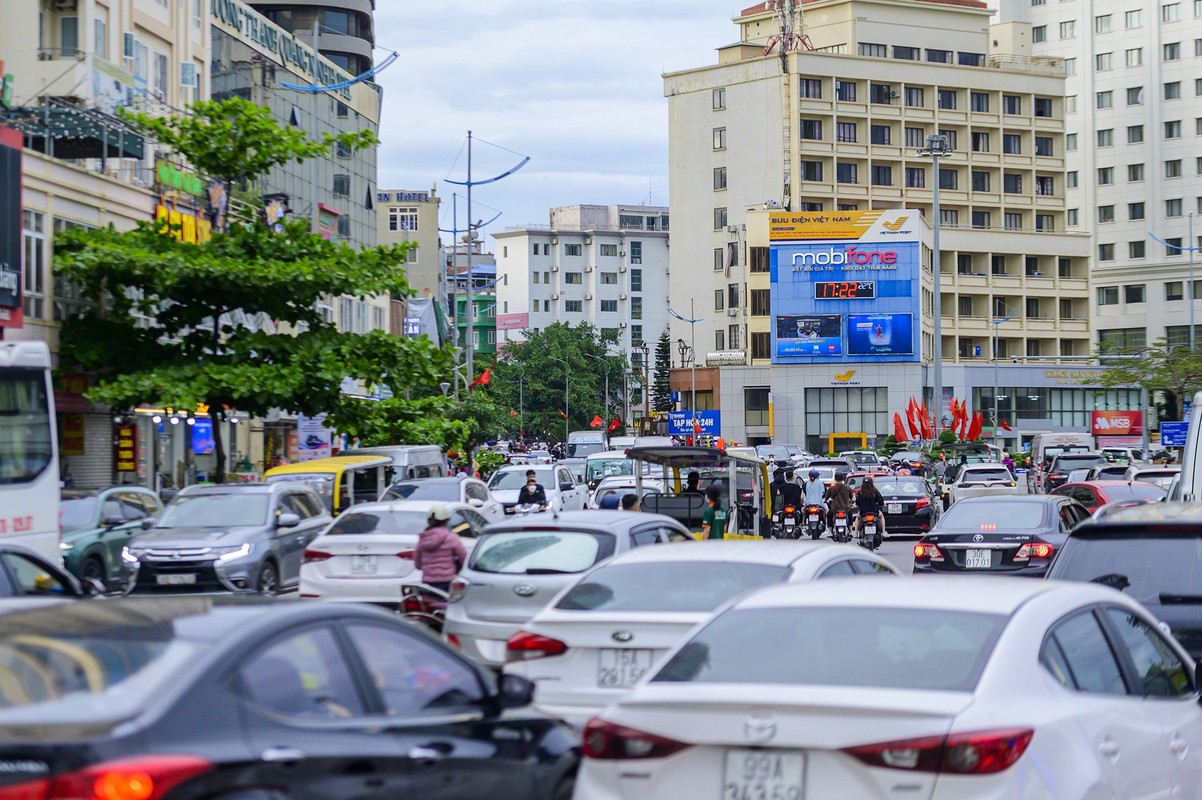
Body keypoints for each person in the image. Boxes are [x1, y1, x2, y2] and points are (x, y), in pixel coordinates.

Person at [413, 504, 467, 593]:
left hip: (427, 583)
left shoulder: (422, 540)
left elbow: (418, 565)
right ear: (446, 521)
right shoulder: (451, 538)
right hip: (447, 582)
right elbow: (463, 557)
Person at [855, 476, 887, 544]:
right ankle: (884, 532)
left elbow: (857, 503)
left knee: (857, 518)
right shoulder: (875, 491)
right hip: (874, 511)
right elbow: (881, 501)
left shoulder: (860, 492)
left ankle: (855, 533)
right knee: (881, 516)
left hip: (863, 512)